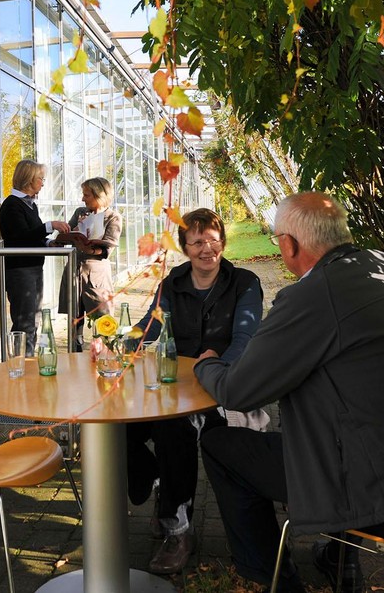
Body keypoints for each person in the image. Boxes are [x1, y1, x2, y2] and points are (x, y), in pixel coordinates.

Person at [196, 192, 384, 593]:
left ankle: (275, 579)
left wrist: (205, 364)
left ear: (289, 245)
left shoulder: (315, 294)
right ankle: (340, 559)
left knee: (220, 444)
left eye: (276, 241)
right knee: (344, 414)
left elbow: (239, 391)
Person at [126, 208, 265, 575]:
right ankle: (154, 480)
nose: (208, 248)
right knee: (119, 426)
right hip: (175, 385)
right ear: (185, 247)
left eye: (214, 239)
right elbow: (150, 326)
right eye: (198, 241)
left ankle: (179, 530)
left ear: (224, 242)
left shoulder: (245, 283)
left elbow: (246, 338)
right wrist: (118, 343)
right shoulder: (173, 283)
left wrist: (218, 369)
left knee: (174, 430)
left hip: (221, 388)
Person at [0, 160, 70, 356]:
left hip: (33, 268)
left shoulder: (29, 205)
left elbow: (30, 237)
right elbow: (20, 238)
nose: (43, 183)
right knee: (24, 321)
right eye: (41, 178)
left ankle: (27, 362)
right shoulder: (11, 205)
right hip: (20, 271)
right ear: (29, 180)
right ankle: (20, 366)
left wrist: (48, 243)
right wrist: (49, 225)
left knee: (33, 319)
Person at [58, 177, 122, 351]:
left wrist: (88, 248)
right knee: (74, 321)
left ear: (99, 196)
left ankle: (107, 359)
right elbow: (68, 234)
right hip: (74, 272)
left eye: (86, 195)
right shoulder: (80, 213)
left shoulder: (113, 217)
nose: (82, 199)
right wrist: (65, 234)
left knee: (103, 321)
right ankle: (75, 360)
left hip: (96, 276)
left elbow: (108, 247)